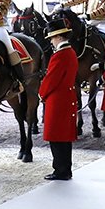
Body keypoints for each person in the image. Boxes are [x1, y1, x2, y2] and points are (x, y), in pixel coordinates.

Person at [39, 15, 79, 180]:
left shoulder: (60, 55)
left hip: (57, 100)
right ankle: (64, 169)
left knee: (56, 137)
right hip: (66, 97)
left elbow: (51, 79)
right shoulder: (70, 52)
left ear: (58, 36)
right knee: (64, 137)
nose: (51, 42)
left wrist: (41, 93)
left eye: (52, 38)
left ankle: (60, 170)